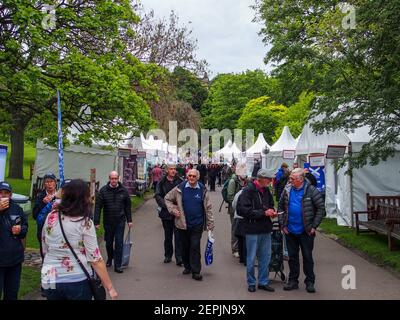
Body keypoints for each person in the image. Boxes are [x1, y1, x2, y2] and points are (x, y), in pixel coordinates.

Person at [41, 179, 117, 300]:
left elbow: (44, 246)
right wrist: (110, 287)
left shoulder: (51, 216)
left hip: (50, 275)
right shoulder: (84, 222)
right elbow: (95, 258)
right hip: (75, 278)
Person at [278, 168, 325, 293]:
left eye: (292, 179)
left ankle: (310, 282)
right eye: (290, 178)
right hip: (290, 230)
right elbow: (280, 206)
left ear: (300, 179)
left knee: (307, 257)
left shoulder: (311, 190)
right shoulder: (287, 189)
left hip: (306, 231)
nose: (290, 180)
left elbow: (321, 209)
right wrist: (283, 225)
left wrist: (314, 226)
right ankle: (293, 281)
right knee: (292, 257)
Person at [164, 169, 214, 281]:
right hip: (182, 223)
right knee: (185, 246)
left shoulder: (202, 189)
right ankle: (187, 266)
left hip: (197, 223)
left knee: (195, 246)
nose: (191, 178)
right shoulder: (180, 188)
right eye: (189, 176)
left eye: (193, 176)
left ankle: (196, 271)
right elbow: (167, 198)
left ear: (197, 177)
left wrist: (211, 223)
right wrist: (173, 210)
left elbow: (209, 208)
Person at [237, 169, 277, 293]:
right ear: (261, 179)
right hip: (252, 229)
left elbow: (270, 204)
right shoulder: (248, 191)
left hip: (265, 228)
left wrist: (272, 211)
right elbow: (243, 211)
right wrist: (264, 213)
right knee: (251, 257)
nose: (270, 181)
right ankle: (251, 282)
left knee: (265, 257)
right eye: (269, 179)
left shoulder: (266, 191)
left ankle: (263, 281)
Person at [94, 171, 132, 273]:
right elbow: (98, 207)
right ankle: (110, 258)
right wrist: (96, 221)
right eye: (112, 178)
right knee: (109, 243)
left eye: (115, 178)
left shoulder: (123, 191)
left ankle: (118, 265)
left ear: (118, 178)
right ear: (109, 179)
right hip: (108, 221)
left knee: (119, 242)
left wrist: (129, 220)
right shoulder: (103, 191)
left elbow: (128, 206)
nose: (114, 180)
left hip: (120, 221)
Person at [0, 181, 28, 300]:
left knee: (12, 294)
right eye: (1, 193)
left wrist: (21, 229)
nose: (3, 195)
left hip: (15, 260)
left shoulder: (17, 209)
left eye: (6, 193)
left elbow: (25, 226)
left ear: (10, 195)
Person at [155, 163, 183, 265]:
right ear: (167, 170)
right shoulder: (161, 182)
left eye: (174, 169)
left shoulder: (180, 182)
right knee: (168, 236)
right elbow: (158, 196)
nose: (173, 171)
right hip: (166, 213)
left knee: (178, 236)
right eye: (171, 169)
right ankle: (168, 255)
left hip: (178, 213)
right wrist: (167, 206)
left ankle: (179, 257)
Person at [33, 172, 57, 258]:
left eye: (51, 181)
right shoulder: (40, 196)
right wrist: (42, 203)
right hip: (43, 228)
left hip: (57, 228)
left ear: (55, 182)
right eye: (47, 182)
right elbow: (34, 215)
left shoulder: (60, 195)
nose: (49, 184)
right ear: (44, 184)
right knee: (44, 253)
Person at [227, 167, 247, 257]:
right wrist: (238, 207)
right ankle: (235, 249)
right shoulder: (233, 181)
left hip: (243, 209)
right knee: (235, 229)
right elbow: (230, 197)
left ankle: (242, 248)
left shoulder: (244, 180)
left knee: (242, 229)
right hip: (234, 209)